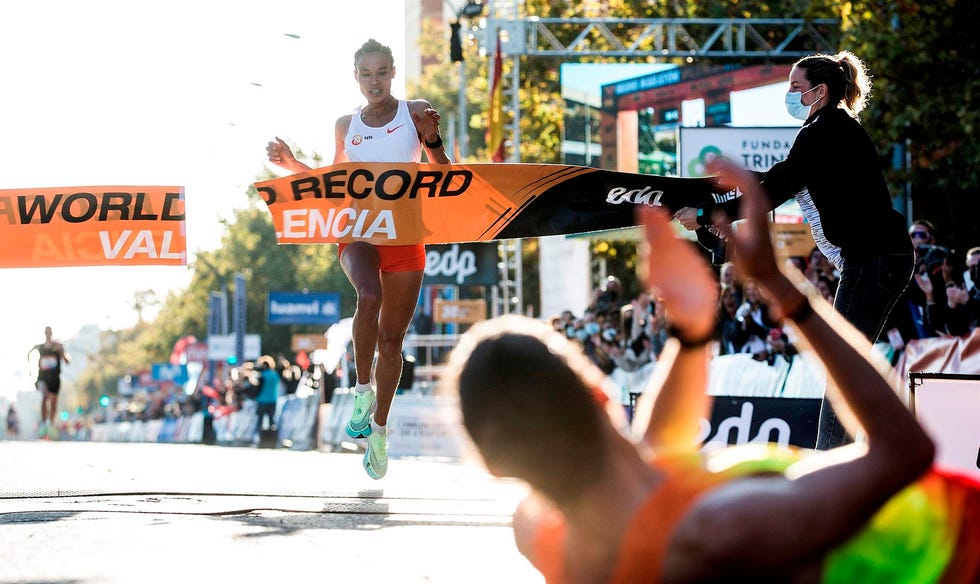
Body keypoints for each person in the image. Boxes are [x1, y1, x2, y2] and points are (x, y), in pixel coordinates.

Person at [441, 158, 979, 583]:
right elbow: (903, 450)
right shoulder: (724, 527)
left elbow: (657, 454)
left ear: (495, 467)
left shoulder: (541, 533)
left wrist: (692, 332)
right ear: (601, 392)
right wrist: (782, 287)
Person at [673, 51, 914, 450]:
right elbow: (772, 181)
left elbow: (773, 189)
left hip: (875, 259)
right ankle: (853, 452)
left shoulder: (824, 130)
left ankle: (834, 460)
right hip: (879, 256)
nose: (788, 94)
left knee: (842, 366)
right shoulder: (830, 129)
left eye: (795, 87)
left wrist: (706, 212)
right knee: (847, 364)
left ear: (819, 92)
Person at [265, 39, 450, 479]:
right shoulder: (346, 124)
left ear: (392, 72)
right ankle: (361, 388)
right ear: (356, 77)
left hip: (405, 235)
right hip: (359, 231)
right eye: (366, 73)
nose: (375, 81)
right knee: (368, 296)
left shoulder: (415, 110)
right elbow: (333, 183)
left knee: (392, 343)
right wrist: (292, 164)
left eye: (382, 72)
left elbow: (445, 176)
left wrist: (432, 140)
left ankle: (380, 430)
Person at [28, 326, 70, 440]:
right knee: (44, 396)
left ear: (51, 333)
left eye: (49, 332)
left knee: (53, 404)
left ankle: (50, 423)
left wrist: (60, 351)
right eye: (46, 332)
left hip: (54, 378)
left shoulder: (58, 346)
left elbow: (66, 361)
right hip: (43, 377)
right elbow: (29, 354)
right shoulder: (40, 347)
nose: (48, 334)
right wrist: (30, 371)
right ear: (44, 333)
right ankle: (43, 422)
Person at [253, 355, 281, 447]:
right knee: (272, 421)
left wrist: (254, 396)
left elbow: (258, 388)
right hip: (273, 400)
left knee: (260, 421)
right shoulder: (275, 374)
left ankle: (260, 440)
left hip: (262, 400)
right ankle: (272, 441)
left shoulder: (262, 375)